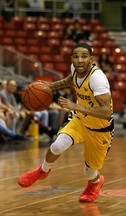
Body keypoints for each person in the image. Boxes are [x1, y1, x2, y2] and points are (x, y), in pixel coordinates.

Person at [18, 43, 114, 203]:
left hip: (100, 129)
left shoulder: (98, 79)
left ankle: (95, 183)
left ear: (91, 59)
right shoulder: (75, 69)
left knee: (89, 173)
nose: (80, 60)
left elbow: (107, 112)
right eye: (76, 56)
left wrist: (75, 106)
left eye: (84, 56)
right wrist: (52, 86)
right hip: (80, 119)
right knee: (57, 146)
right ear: (72, 59)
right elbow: (73, 79)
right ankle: (43, 170)